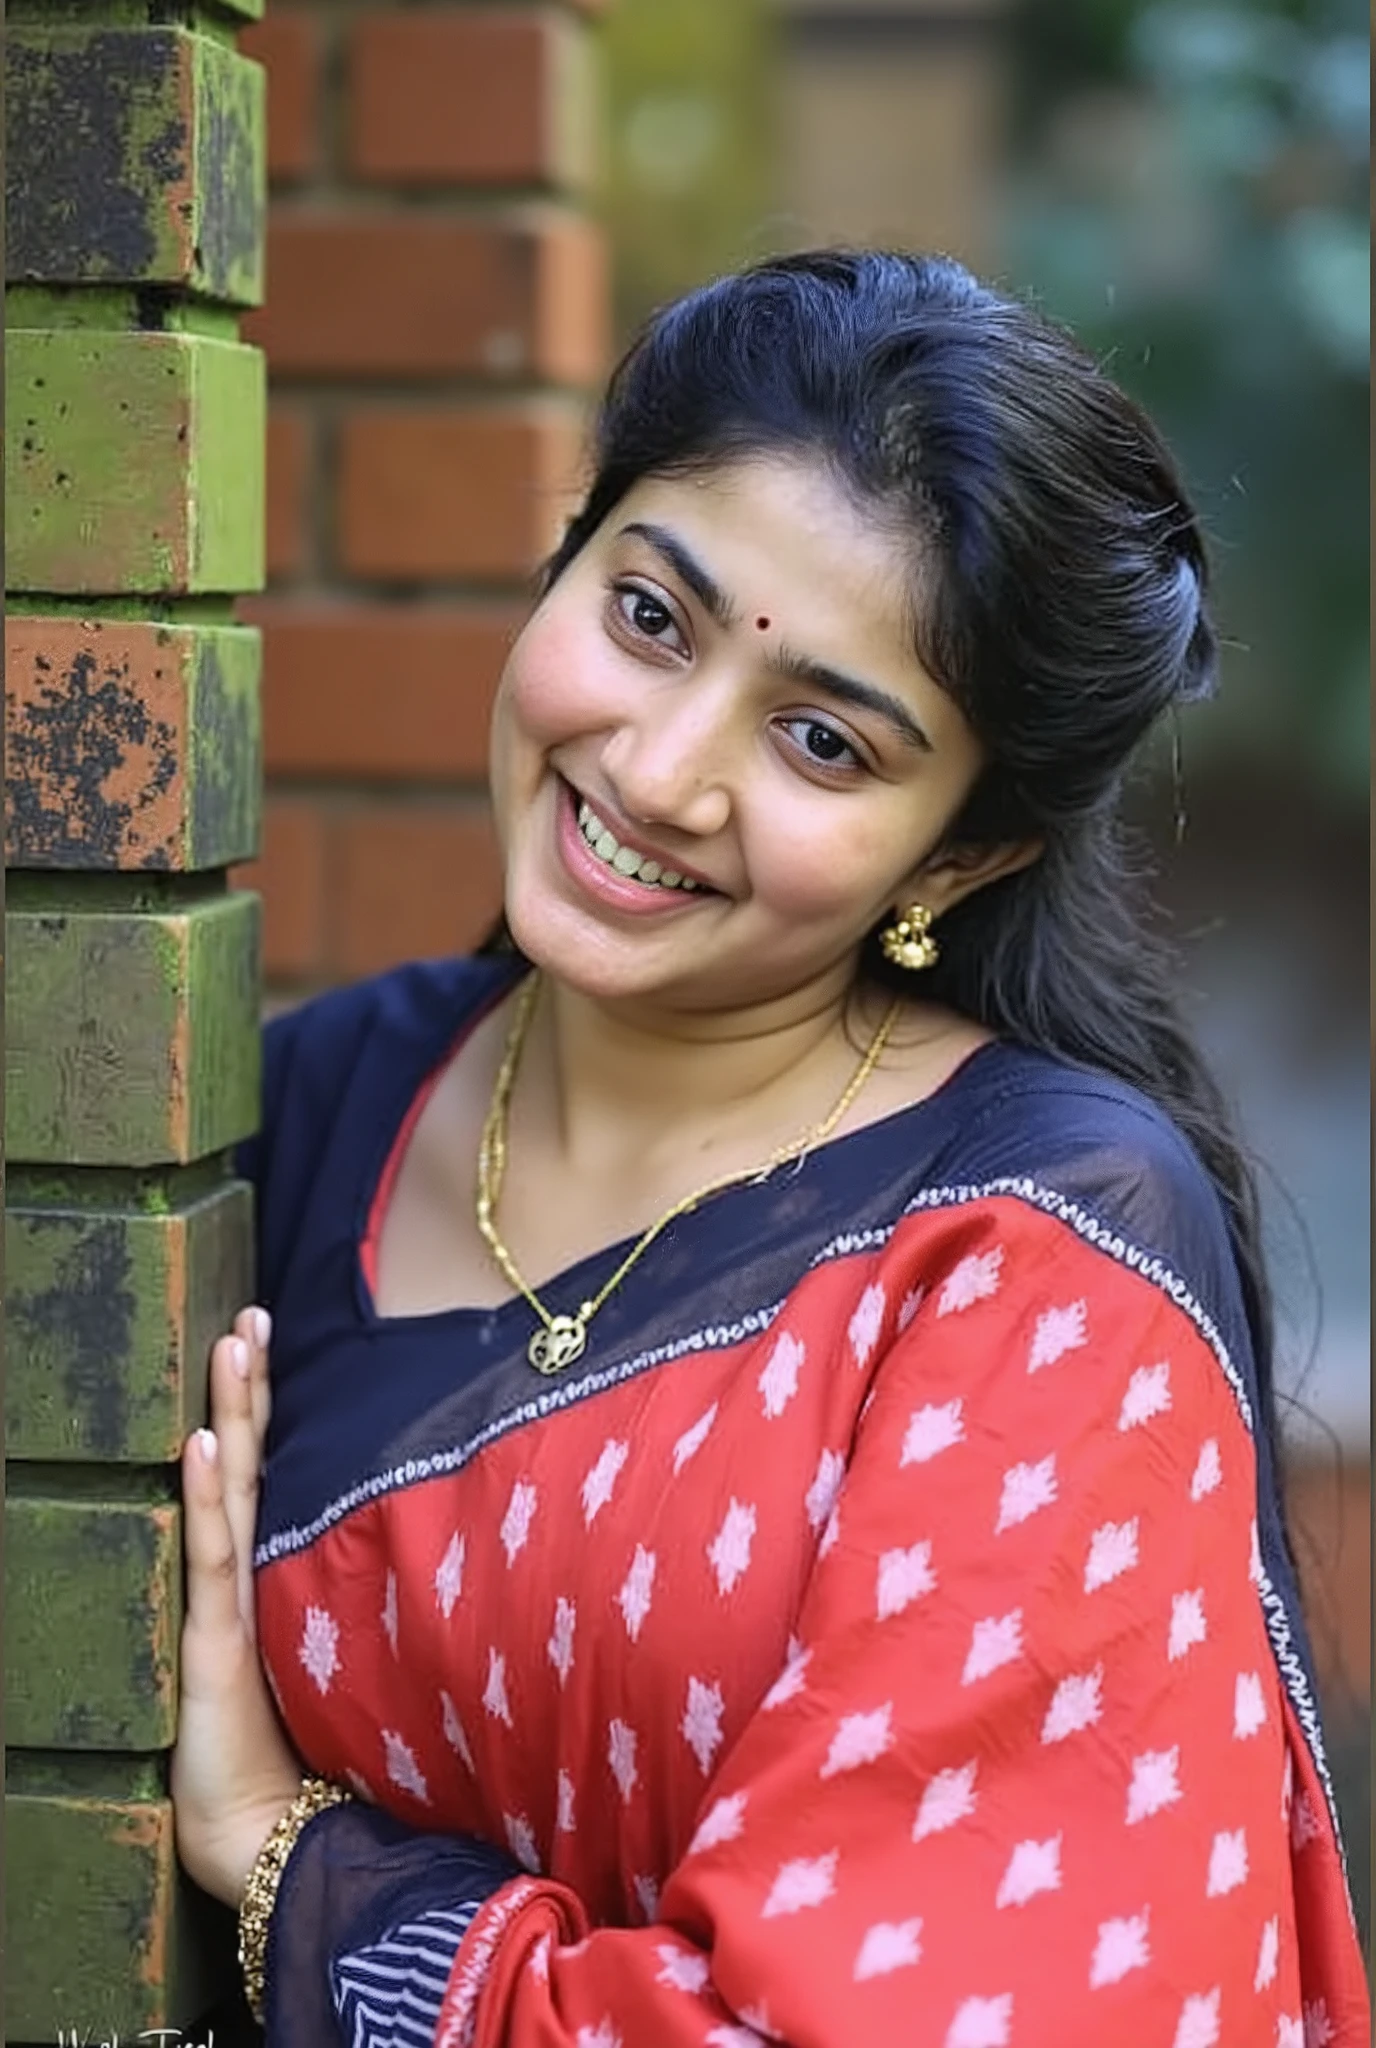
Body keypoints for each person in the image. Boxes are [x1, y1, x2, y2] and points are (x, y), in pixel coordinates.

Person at [171, 251, 1368, 2048]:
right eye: (648, 615)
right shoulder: (315, 1105)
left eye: (821, 738)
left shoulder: (1037, 1260)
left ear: (958, 861)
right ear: (570, 551)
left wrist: (287, 1858)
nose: (658, 773)